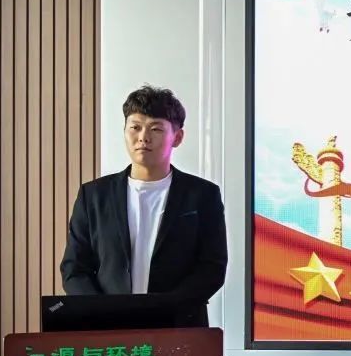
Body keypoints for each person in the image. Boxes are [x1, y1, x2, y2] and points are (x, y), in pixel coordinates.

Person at [60, 85, 227, 305]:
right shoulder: (93, 196)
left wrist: (165, 308)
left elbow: (212, 268)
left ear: (177, 137)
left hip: (178, 321)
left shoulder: (203, 195)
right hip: (109, 322)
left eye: (155, 129)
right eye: (135, 127)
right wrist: (102, 312)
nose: (143, 137)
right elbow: (74, 269)